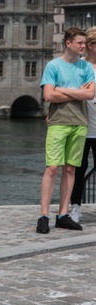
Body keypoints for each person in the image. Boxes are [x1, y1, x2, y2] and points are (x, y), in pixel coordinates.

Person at [37, 27, 95, 234]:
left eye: (84, 43)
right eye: (80, 43)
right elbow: (48, 96)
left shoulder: (86, 67)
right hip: (58, 122)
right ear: (68, 43)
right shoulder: (53, 66)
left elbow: (90, 95)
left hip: (80, 123)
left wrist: (60, 89)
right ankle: (43, 215)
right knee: (52, 168)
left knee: (70, 170)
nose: (83, 46)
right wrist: (78, 92)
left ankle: (63, 214)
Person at [70, 26, 96, 224]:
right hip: (80, 125)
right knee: (78, 168)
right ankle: (75, 207)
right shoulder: (79, 67)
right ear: (90, 45)